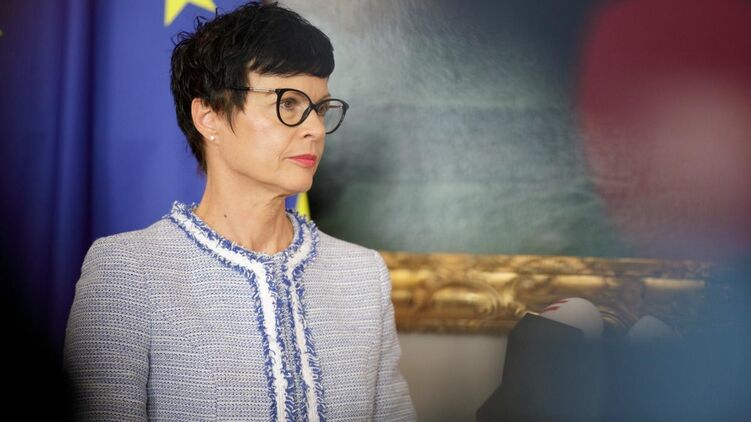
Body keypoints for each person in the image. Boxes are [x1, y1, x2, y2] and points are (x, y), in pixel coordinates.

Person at [63, 3, 416, 421]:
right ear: (208, 116)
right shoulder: (128, 271)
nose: (315, 129)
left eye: (320, 109)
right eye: (289, 103)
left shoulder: (363, 275)